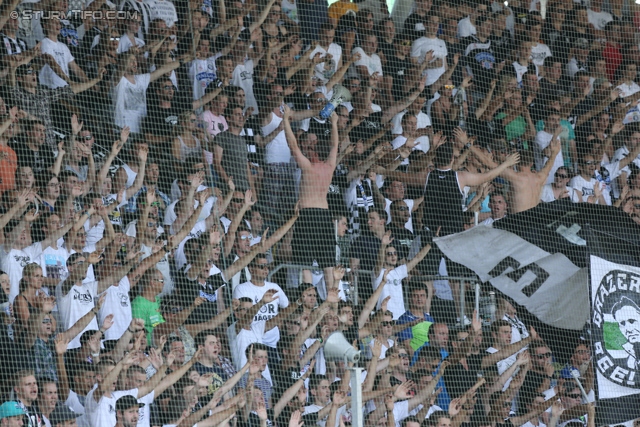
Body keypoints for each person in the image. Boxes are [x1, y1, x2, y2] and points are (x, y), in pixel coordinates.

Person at [284, 105, 340, 291]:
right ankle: (333, 302)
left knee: (305, 263)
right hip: (324, 216)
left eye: (313, 148)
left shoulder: (308, 167)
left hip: (307, 215)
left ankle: (308, 295)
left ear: (316, 153)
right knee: (328, 265)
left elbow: (293, 145)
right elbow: (334, 145)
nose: (310, 149)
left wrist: (286, 120)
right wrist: (334, 123)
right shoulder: (330, 165)